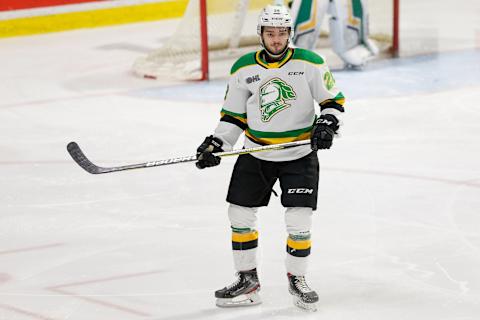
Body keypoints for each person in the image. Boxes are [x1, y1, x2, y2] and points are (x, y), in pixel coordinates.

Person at [195, 4, 345, 312]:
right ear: (260, 34)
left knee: (299, 220)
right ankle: (247, 281)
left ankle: (298, 279)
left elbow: (333, 102)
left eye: (281, 33)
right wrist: (216, 144)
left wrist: (327, 124)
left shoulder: (310, 63)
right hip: (256, 152)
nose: (276, 40)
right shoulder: (243, 69)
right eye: (270, 33)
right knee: (238, 214)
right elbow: (233, 117)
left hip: (299, 153)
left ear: (290, 34)